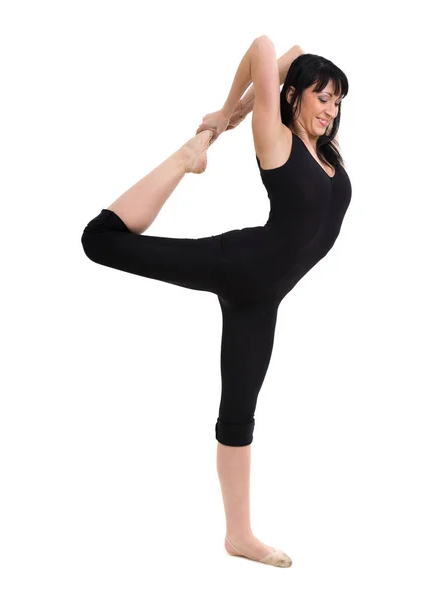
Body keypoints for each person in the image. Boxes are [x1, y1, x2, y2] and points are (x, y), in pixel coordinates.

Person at [80, 36, 350, 568]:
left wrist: (248, 105)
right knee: (101, 242)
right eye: (322, 98)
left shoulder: (325, 152)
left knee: (238, 416)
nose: (331, 110)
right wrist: (224, 121)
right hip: (239, 263)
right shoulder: (276, 139)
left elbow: (290, 57)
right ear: (292, 97)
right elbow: (267, 48)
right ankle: (183, 159)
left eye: (338, 101)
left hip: (263, 299)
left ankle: (239, 536)